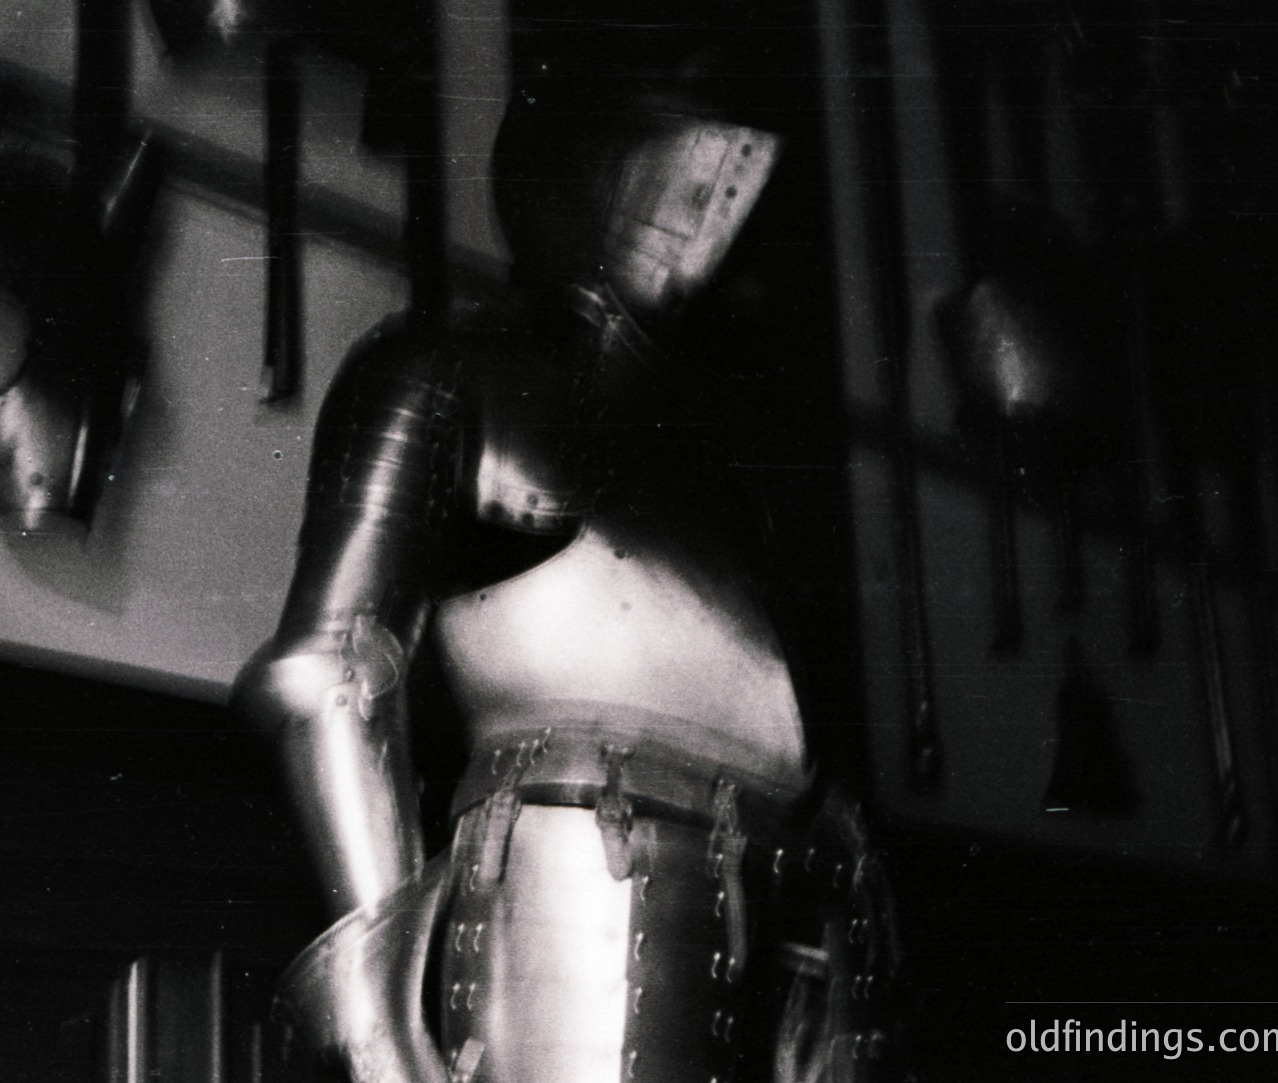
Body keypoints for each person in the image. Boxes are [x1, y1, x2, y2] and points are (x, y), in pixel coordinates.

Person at [233, 61, 899, 1083]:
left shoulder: (723, 472)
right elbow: (329, 675)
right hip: (578, 888)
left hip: (789, 922)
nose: (711, 213)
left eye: (733, 185)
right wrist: (379, 1035)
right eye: (686, 177)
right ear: (588, 175)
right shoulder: (452, 371)